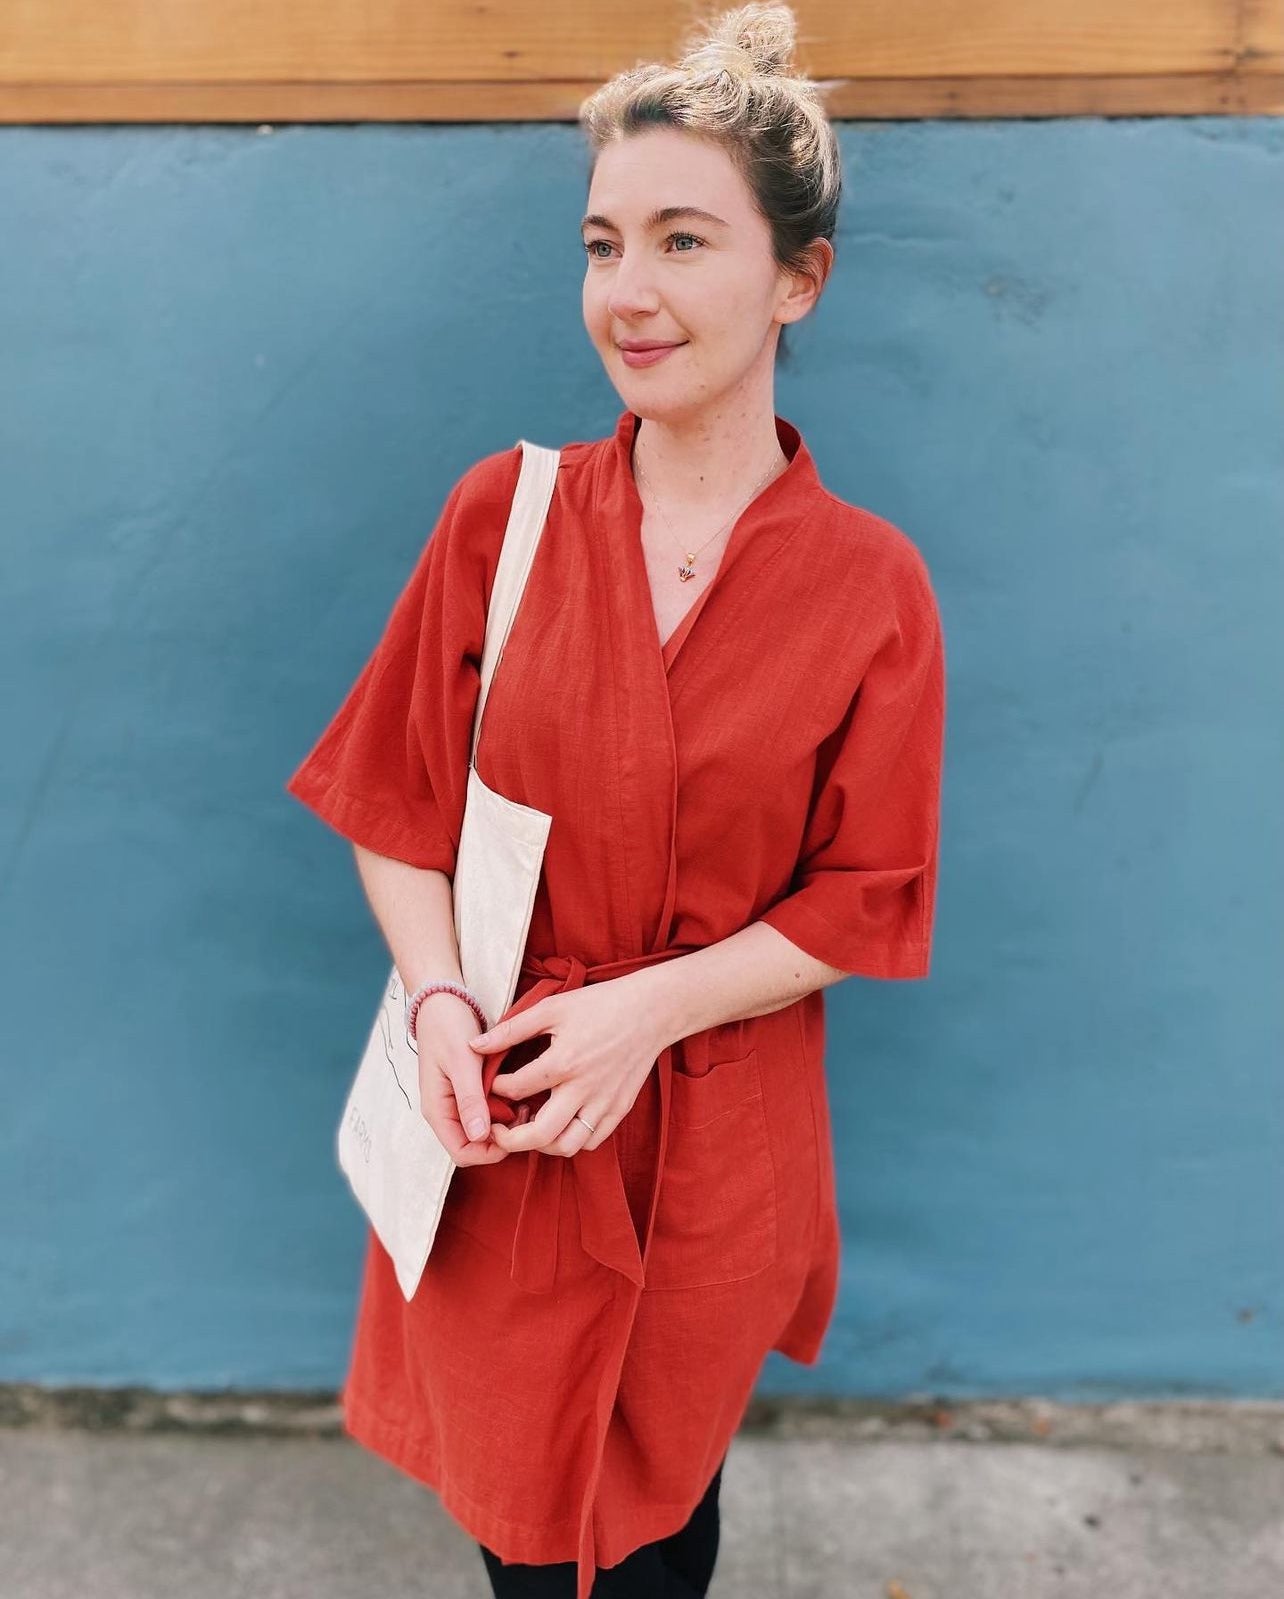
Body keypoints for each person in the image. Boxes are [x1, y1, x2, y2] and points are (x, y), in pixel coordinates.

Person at [284, 5, 946, 1596]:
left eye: (682, 240)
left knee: (656, 1522)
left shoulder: (870, 590)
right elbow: (396, 807)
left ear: (801, 277)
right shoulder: (503, 517)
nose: (628, 294)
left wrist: (648, 1013)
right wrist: (443, 1005)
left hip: (714, 1138)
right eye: (601, 244)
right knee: (525, 1526)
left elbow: (865, 899)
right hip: (512, 1123)